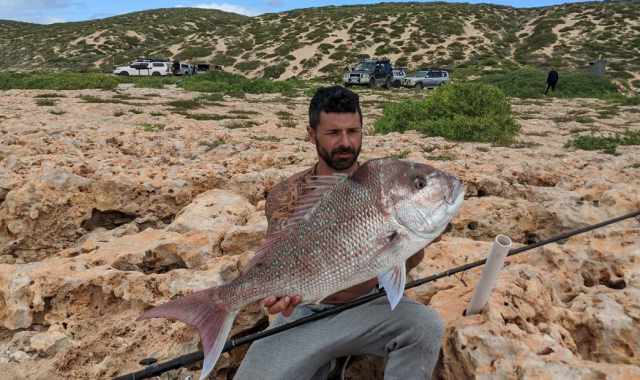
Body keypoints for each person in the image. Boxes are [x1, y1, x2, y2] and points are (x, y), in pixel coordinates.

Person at [233, 85, 445, 380]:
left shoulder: (385, 184)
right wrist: (277, 297)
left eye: (353, 131)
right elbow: (281, 257)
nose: (345, 142)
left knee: (425, 326)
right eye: (333, 133)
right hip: (303, 313)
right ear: (311, 134)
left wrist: (414, 240)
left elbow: (402, 263)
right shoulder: (287, 195)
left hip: (370, 304)